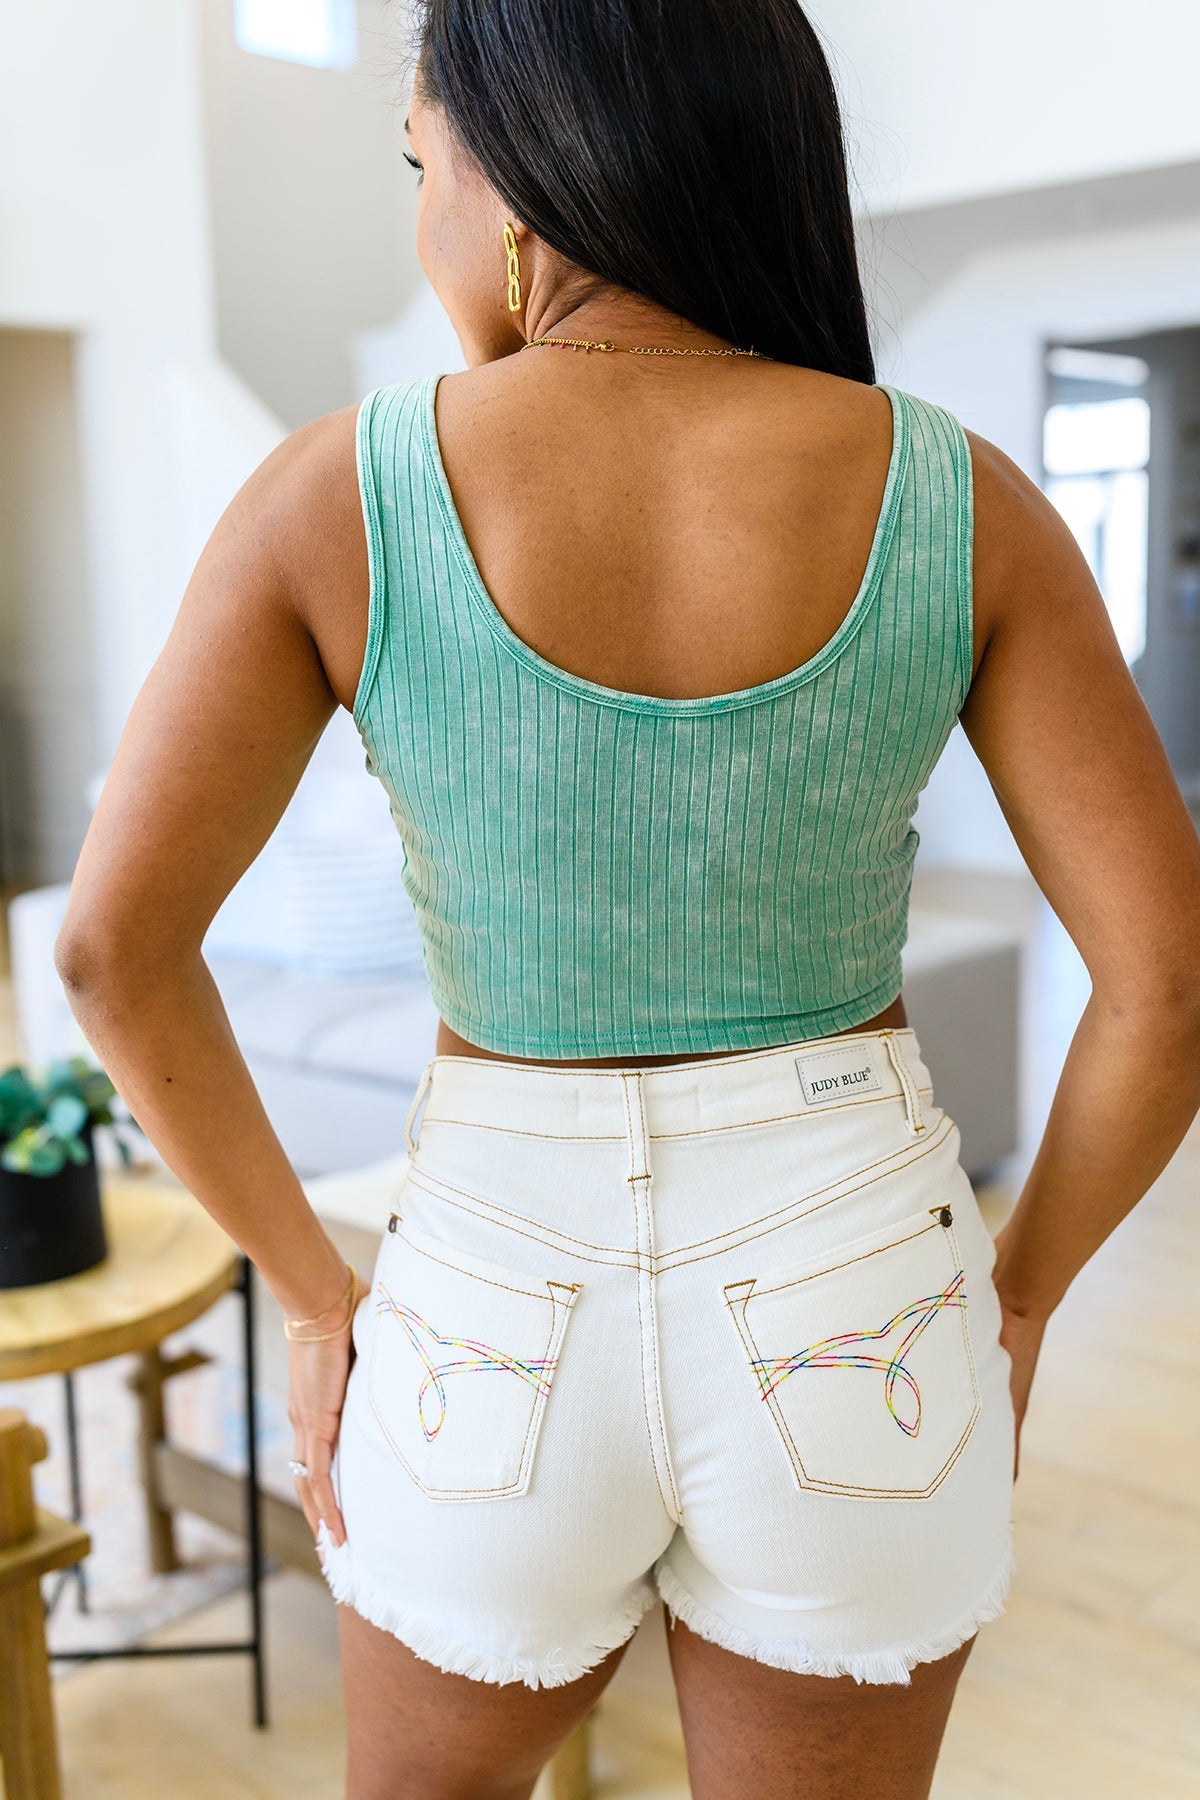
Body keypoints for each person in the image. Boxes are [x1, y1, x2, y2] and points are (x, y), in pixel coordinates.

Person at [54, 1, 1200, 1795]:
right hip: (856, 1284)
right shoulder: (956, 492)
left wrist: (312, 1293)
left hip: (487, 1293)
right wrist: (1026, 1288)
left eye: (420, 167)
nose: (420, 220)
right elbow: (1170, 984)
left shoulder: (337, 494)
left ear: (518, 185)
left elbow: (111, 955)